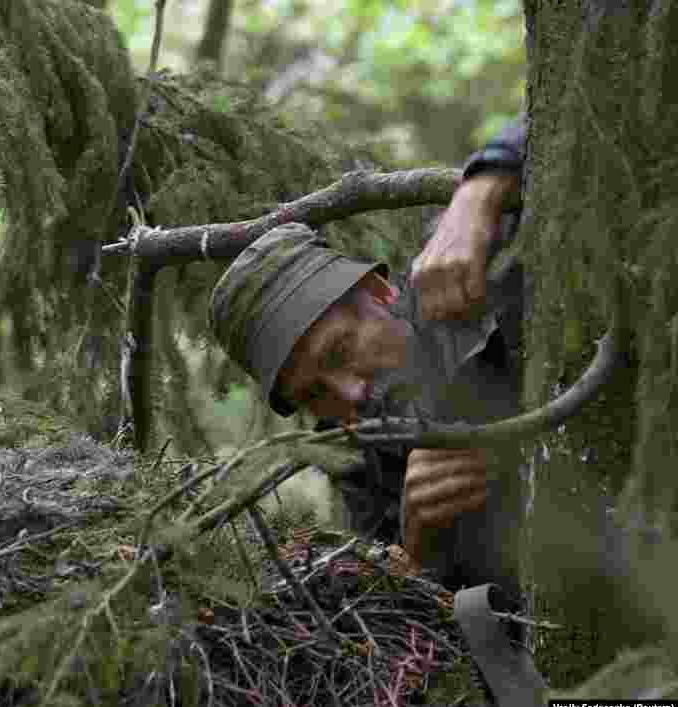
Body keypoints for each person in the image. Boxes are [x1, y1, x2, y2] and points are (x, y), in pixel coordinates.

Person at [208, 120, 528, 596]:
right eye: (314, 394)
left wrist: (478, 192)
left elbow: (584, 102)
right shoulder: (361, 470)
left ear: (378, 290)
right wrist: (419, 555)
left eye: (338, 350)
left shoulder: (466, 269)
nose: (350, 393)